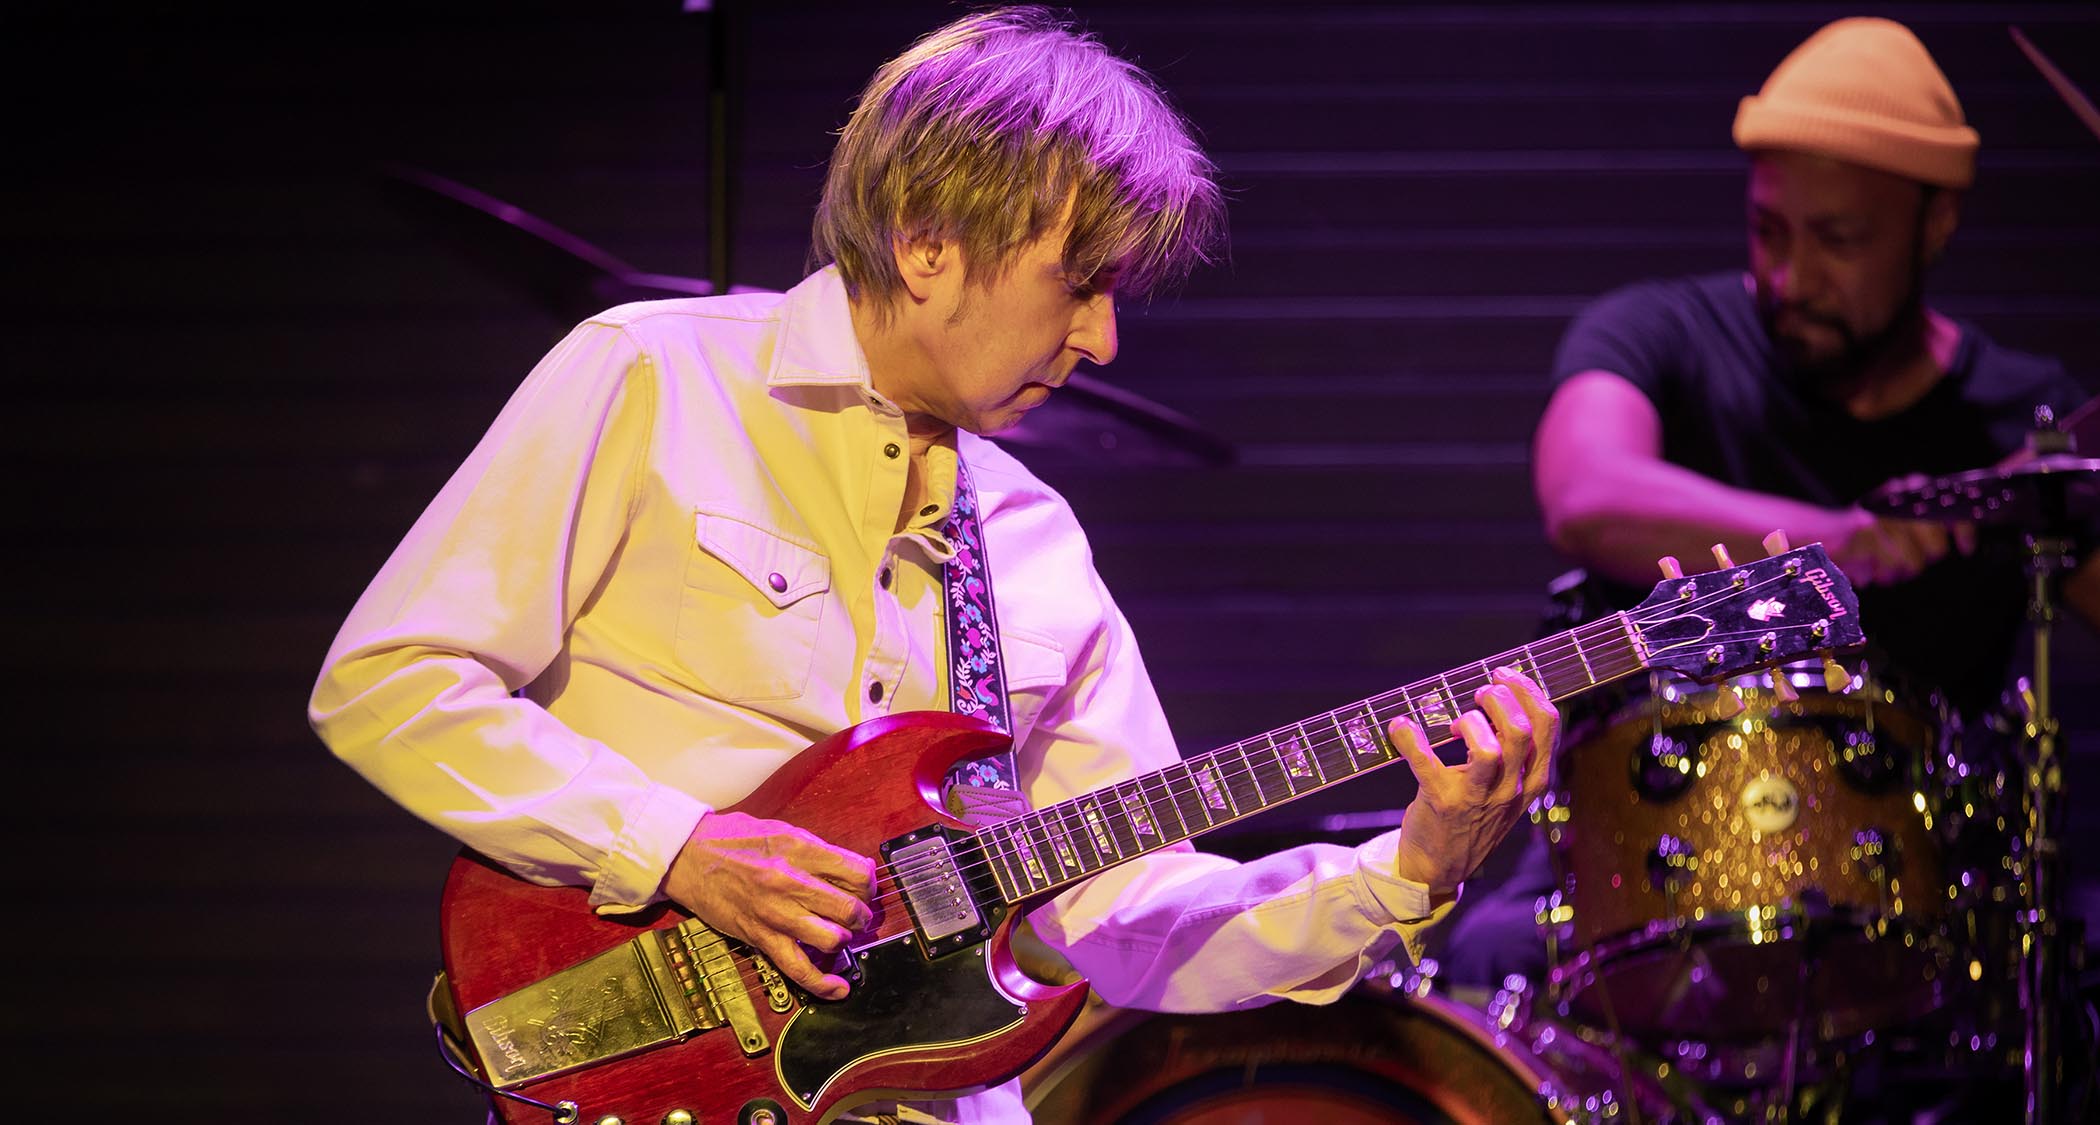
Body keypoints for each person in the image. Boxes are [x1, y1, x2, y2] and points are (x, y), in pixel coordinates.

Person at [308, 9, 1556, 1123]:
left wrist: (1408, 871)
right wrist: (676, 842)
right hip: (647, 1060)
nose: (1105, 341)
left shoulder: (1033, 542)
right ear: (927, 243)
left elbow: (1125, 916)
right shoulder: (654, 374)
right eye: (1079, 285)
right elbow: (392, 682)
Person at [1441, 13, 2098, 1099]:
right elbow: (1585, 491)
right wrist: (1839, 541)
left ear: (1936, 223)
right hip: (1614, 885)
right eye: (1768, 231)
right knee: (1474, 974)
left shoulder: (2014, 422)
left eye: (1838, 240)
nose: (1790, 277)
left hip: (1925, 907)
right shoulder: (1658, 333)